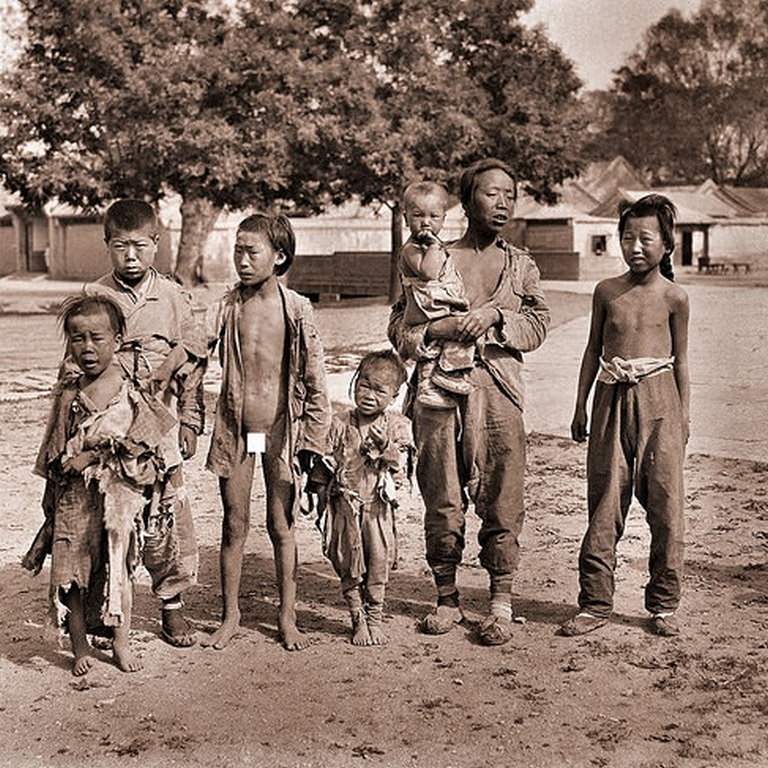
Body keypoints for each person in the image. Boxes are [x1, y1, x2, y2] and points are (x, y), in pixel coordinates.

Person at [388, 158, 550, 646]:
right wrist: (437, 328)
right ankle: (446, 598)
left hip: (499, 394)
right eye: (489, 194)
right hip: (438, 394)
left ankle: (500, 600)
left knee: (503, 496)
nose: (501, 203)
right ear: (466, 199)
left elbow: (538, 325)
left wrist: (497, 318)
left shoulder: (521, 265)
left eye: (509, 195)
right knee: (442, 493)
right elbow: (398, 328)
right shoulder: (429, 257)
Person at [23, 294, 178, 675]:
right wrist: (58, 477)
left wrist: (93, 455)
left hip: (116, 496)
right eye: (78, 339)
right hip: (73, 498)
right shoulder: (69, 388)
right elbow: (54, 446)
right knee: (71, 572)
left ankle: (121, 643)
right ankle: (80, 648)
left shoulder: (128, 386)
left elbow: (143, 438)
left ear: (118, 338)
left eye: (97, 338)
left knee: (117, 567)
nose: (87, 348)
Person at [561, 194, 690, 638]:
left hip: (661, 405)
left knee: (667, 506)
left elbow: (682, 362)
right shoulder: (606, 292)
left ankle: (663, 605)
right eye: (627, 237)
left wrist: (683, 418)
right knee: (603, 502)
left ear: (667, 245)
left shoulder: (676, 298)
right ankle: (595, 603)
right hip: (610, 400)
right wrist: (580, 405)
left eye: (646, 238)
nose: (635, 246)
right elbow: (592, 350)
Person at [202, 213, 331, 651]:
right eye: (236, 250)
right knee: (234, 523)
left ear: (279, 256)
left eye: (251, 251)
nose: (241, 259)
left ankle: (287, 616)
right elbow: (194, 354)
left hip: (281, 432)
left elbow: (316, 382)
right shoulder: (225, 306)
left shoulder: (296, 308)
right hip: (237, 430)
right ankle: (230, 615)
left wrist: (313, 443)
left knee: (282, 523)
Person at [83, 199, 207, 648]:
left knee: (167, 515)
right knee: (107, 516)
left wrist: (190, 421)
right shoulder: (93, 295)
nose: (130, 256)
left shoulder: (173, 297)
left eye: (139, 246)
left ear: (156, 244)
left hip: (161, 428)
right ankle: (107, 605)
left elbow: (193, 362)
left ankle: (171, 604)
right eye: (120, 247)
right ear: (107, 246)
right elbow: (72, 367)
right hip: (108, 428)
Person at [310, 350, 414, 646]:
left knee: (378, 562)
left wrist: (386, 450)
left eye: (379, 389)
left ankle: (375, 616)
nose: (368, 394)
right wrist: (319, 497)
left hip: (378, 509)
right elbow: (324, 463)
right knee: (347, 561)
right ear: (355, 382)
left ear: (394, 396)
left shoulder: (396, 426)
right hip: (344, 505)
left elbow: (402, 464)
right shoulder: (340, 423)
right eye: (363, 384)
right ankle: (357, 616)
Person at [398, 181, 474, 408]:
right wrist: (434, 246)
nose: (426, 222)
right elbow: (429, 272)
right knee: (430, 353)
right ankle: (427, 386)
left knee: (454, 342)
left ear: (443, 219)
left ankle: (451, 375)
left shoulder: (436, 246)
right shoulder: (411, 248)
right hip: (423, 310)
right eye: (418, 216)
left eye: (434, 217)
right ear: (406, 218)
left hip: (436, 305)